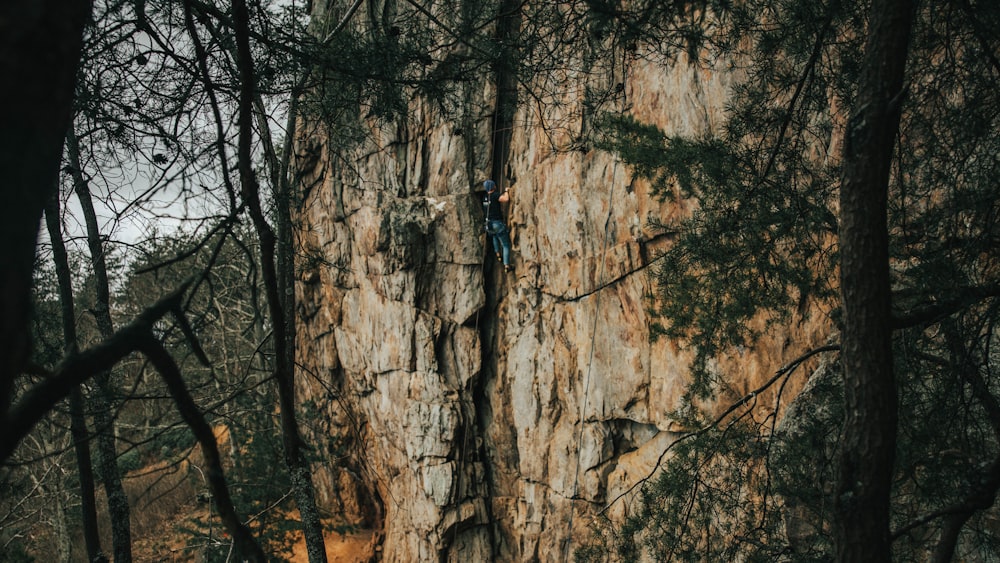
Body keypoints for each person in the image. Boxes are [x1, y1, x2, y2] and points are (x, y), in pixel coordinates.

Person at [482, 179, 513, 272]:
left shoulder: (485, 197)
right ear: (493, 186)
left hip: (489, 225)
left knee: (494, 236)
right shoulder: (495, 195)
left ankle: (498, 253)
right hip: (497, 223)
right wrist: (506, 191)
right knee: (506, 244)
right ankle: (507, 265)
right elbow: (506, 199)